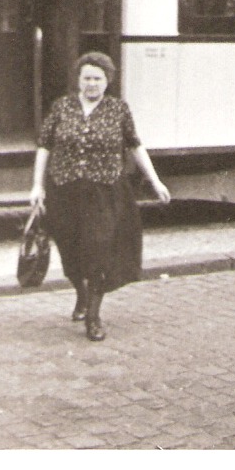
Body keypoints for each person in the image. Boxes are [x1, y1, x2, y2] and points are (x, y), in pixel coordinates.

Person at [30, 51, 170, 342]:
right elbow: (44, 146)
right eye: (86, 78)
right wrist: (36, 186)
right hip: (64, 190)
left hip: (104, 193)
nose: (91, 84)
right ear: (78, 80)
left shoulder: (118, 110)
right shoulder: (62, 106)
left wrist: (154, 180)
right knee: (70, 251)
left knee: (98, 250)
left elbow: (135, 146)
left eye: (97, 78)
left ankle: (93, 316)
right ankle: (80, 294)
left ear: (107, 81)